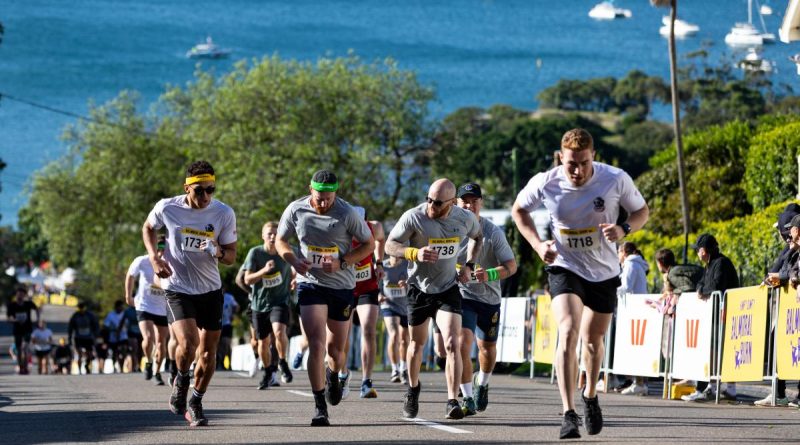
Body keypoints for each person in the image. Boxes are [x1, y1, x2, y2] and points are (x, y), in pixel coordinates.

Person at [512, 128, 649, 439]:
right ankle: (568, 412)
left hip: (603, 272)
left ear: (593, 157)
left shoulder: (615, 178)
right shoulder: (546, 181)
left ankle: (589, 394)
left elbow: (642, 211)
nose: (577, 170)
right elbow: (519, 210)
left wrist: (624, 228)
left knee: (592, 341)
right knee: (568, 329)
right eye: (571, 163)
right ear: (562, 158)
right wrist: (537, 245)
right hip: (564, 266)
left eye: (584, 163)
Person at [276, 169, 375, 426]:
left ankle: (334, 374)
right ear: (311, 190)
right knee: (317, 343)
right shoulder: (296, 210)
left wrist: (343, 261)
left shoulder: (346, 213)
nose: (324, 203)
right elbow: (280, 240)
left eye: (329, 198)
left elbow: (368, 244)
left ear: (336, 194)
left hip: (341, 286)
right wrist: (293, 260)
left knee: (336, 350)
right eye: (320, 197)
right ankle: (320, 406)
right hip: (311, 284)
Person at [142, 160, 237, 426]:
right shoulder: (167, 207)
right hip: (177, 288)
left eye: (211, 190)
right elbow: (148, 228)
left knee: (208, 354)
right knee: (188, 343)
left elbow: (231, 256)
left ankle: (195, 401)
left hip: (210, 290)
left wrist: (217, 250)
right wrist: (154, 258)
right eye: (199, 191)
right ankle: (182, 378)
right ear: (187, 188)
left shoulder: (223, 213)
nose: (206, 196)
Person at [385, 178, 483, 420]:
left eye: (438, 203)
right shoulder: (414, 216)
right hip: (418, 288)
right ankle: (412, 388)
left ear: (451, 203)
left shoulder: (464, 218)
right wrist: (413, 253)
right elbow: (390, 245)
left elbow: (478, 237)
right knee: (416, 344)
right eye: (429, 199)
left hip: (448, 287)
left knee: (453, 343)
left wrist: (469, 265)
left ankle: (452, 400)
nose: (431, 206)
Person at [454, 182, 518, 416]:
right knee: (462, 343)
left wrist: (489, 274)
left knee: (487, 349)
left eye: (474, 200)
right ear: (456, 203)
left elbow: (511, 266)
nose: (469, 205)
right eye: (464, 201)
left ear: (481, 203)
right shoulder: (450, 230)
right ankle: (468, 397)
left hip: (489, 298)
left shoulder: (493, 233)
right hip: (462, 295)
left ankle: (483, 382)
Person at [681, 233, 740, 403]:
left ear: (704, 250)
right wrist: (701, 289)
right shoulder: (711, 264)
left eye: (698, 250)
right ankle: (722, 388)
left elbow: (716, 286)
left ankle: (720, 388)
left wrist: (702, 290)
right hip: (717, 314)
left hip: (724, 314)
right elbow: (701, 283)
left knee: (718, 351)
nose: (697, 254)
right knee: (715, 351)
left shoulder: (721, 263)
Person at [243, 221, 296, 390]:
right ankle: (267, 371)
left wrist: (294, 279)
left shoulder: (286, 250)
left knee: (279, 332)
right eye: (269, 234)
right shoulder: (255, 253)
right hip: (259, 304)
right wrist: (264, 271)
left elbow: (298, 267)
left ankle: (282, 361)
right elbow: (247, 279)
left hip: (280, 301)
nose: (273, 236)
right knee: (262, 342)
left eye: (276, 233)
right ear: (263, 236)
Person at [757, 207, 800, 406]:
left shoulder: (793, 248)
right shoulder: (790, 249)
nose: (786, 237)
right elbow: (779, 269)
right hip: (788, 310)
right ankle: (779, 391)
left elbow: (788, 271)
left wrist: (782, 277)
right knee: (780, 343)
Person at [348, 206, 386, 399]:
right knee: (341, 335)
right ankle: (341, 373)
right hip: (344, 287)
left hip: (367, 287)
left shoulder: (375, 227)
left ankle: (366, 381)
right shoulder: (339, 231)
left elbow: (381, 240)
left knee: (369, 331)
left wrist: (379, 263)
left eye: (361, 224)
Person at [126, 236, 170, 385]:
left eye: (164, 247)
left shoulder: (170, 263)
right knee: (148, 337)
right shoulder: (142, 261)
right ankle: (149, 362)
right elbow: (130, 276)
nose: (161, 250)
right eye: (158, 247)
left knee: (161, 341)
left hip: (162, 308)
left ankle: (157, 372)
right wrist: (128, 295)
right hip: (144, 305)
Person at [617, 241, 649, 397]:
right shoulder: (636, 264)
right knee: (636, 347)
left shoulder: (630, 264)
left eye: (618, 252)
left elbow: (626, 287)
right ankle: (638, 382)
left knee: (635, 347)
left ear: (624, 252)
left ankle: (639, 383)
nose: (617, 255)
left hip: (634, 310)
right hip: (637, 309)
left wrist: (608, 288)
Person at [380, 255, 410, 385]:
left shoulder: (407, 265)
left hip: (406, 306)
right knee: (394, 335)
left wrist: (407, 284)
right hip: (389, 305)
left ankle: (404, 368)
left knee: (405, 339)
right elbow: (374, 284)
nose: (396, 257)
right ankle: (395, 369)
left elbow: (416, 281)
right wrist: (378, 294)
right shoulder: (383, 266)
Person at [7, 285, 39, 374]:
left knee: (25, 348)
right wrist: (15, 320)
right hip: (17, 329)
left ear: (24, 295)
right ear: (16, 295)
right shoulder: (12, 305)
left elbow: (37, 309)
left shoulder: (28, 304)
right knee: (19, 349)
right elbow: (8, 318)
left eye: (22, 294)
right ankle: (20, 366)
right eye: (18, 294)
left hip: (27, 329)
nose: (20, 296)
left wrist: (37, 319)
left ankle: (25, 367)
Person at [68, 302, 99, 374]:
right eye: (80, 308)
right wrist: (70, 338)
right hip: (78, 337)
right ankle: (79, 370)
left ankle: (87, 365)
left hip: (88, 338)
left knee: (90, 354)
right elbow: (70, 328)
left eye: (82, 308)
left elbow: (95, 325)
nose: (81, 310)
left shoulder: (90, 315)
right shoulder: (75, 316)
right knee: (79, 355)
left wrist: (96, 336)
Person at [104, 300, 129, 373]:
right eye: (119, 307)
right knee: (115, 352)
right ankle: (114, 364)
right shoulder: (110, 315)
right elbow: (106, 326)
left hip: (123, 336)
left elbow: (128, 324)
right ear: (116, 307)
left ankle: (122, 365)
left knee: (123, 349)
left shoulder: (125, 314)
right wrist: (113, 329)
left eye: (122, 307)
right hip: (113, 337)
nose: (121, 309)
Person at [218, 289, 240, 370]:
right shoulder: (213, 295)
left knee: (226, 344)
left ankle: (229, 363)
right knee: (218, 346)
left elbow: (237, 306)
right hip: (216, 324)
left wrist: (233, 314)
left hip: (227, 324)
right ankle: (220, 362)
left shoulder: (229, 297)